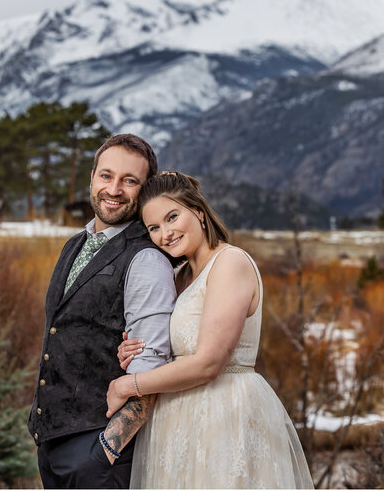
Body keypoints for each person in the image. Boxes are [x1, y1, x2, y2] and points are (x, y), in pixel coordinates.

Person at [106, 171, 314, 489]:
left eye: (172, 217)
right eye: (154, 228)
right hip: (177, 423)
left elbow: (209, 363)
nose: (166, 233)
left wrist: (128, 385)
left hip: (226, 415)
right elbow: (167, 348)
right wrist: (135, 350)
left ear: (199, 212)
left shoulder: (230, 263)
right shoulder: (178, 276)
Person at [28, 134, 178, 488]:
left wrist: (106, 450)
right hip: (52, 440)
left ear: (145, 190)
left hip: (98, 451)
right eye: (106, 176)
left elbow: (152, 360)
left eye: (130, 181)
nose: (114, 189)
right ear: (92, 177)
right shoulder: (75, 244)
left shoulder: (146, 258)